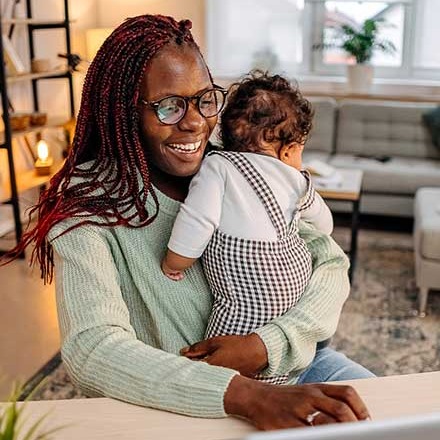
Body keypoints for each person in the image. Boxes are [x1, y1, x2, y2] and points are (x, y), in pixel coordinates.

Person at [5, 14, 374, 431]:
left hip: (301, 366)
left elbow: (330, 263)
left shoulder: (233, 160)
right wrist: (245, 395)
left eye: (204, 99)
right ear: (123, 112)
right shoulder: (89, 207)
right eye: (168, 106)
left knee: (397, 419)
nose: (195, 122)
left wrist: (267, 346)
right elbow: (92, 349)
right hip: (188, 400)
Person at [161, 72, 334, 385]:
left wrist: (176, 260)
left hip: (249, 284)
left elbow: (198, 218)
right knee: (271, 338)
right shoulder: (296, 178)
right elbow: (325, 224)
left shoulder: (220, 166)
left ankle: (220, 388)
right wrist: (298, 174)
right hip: (293, 280)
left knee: (222, 352)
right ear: (289, 148)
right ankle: (282, 376)